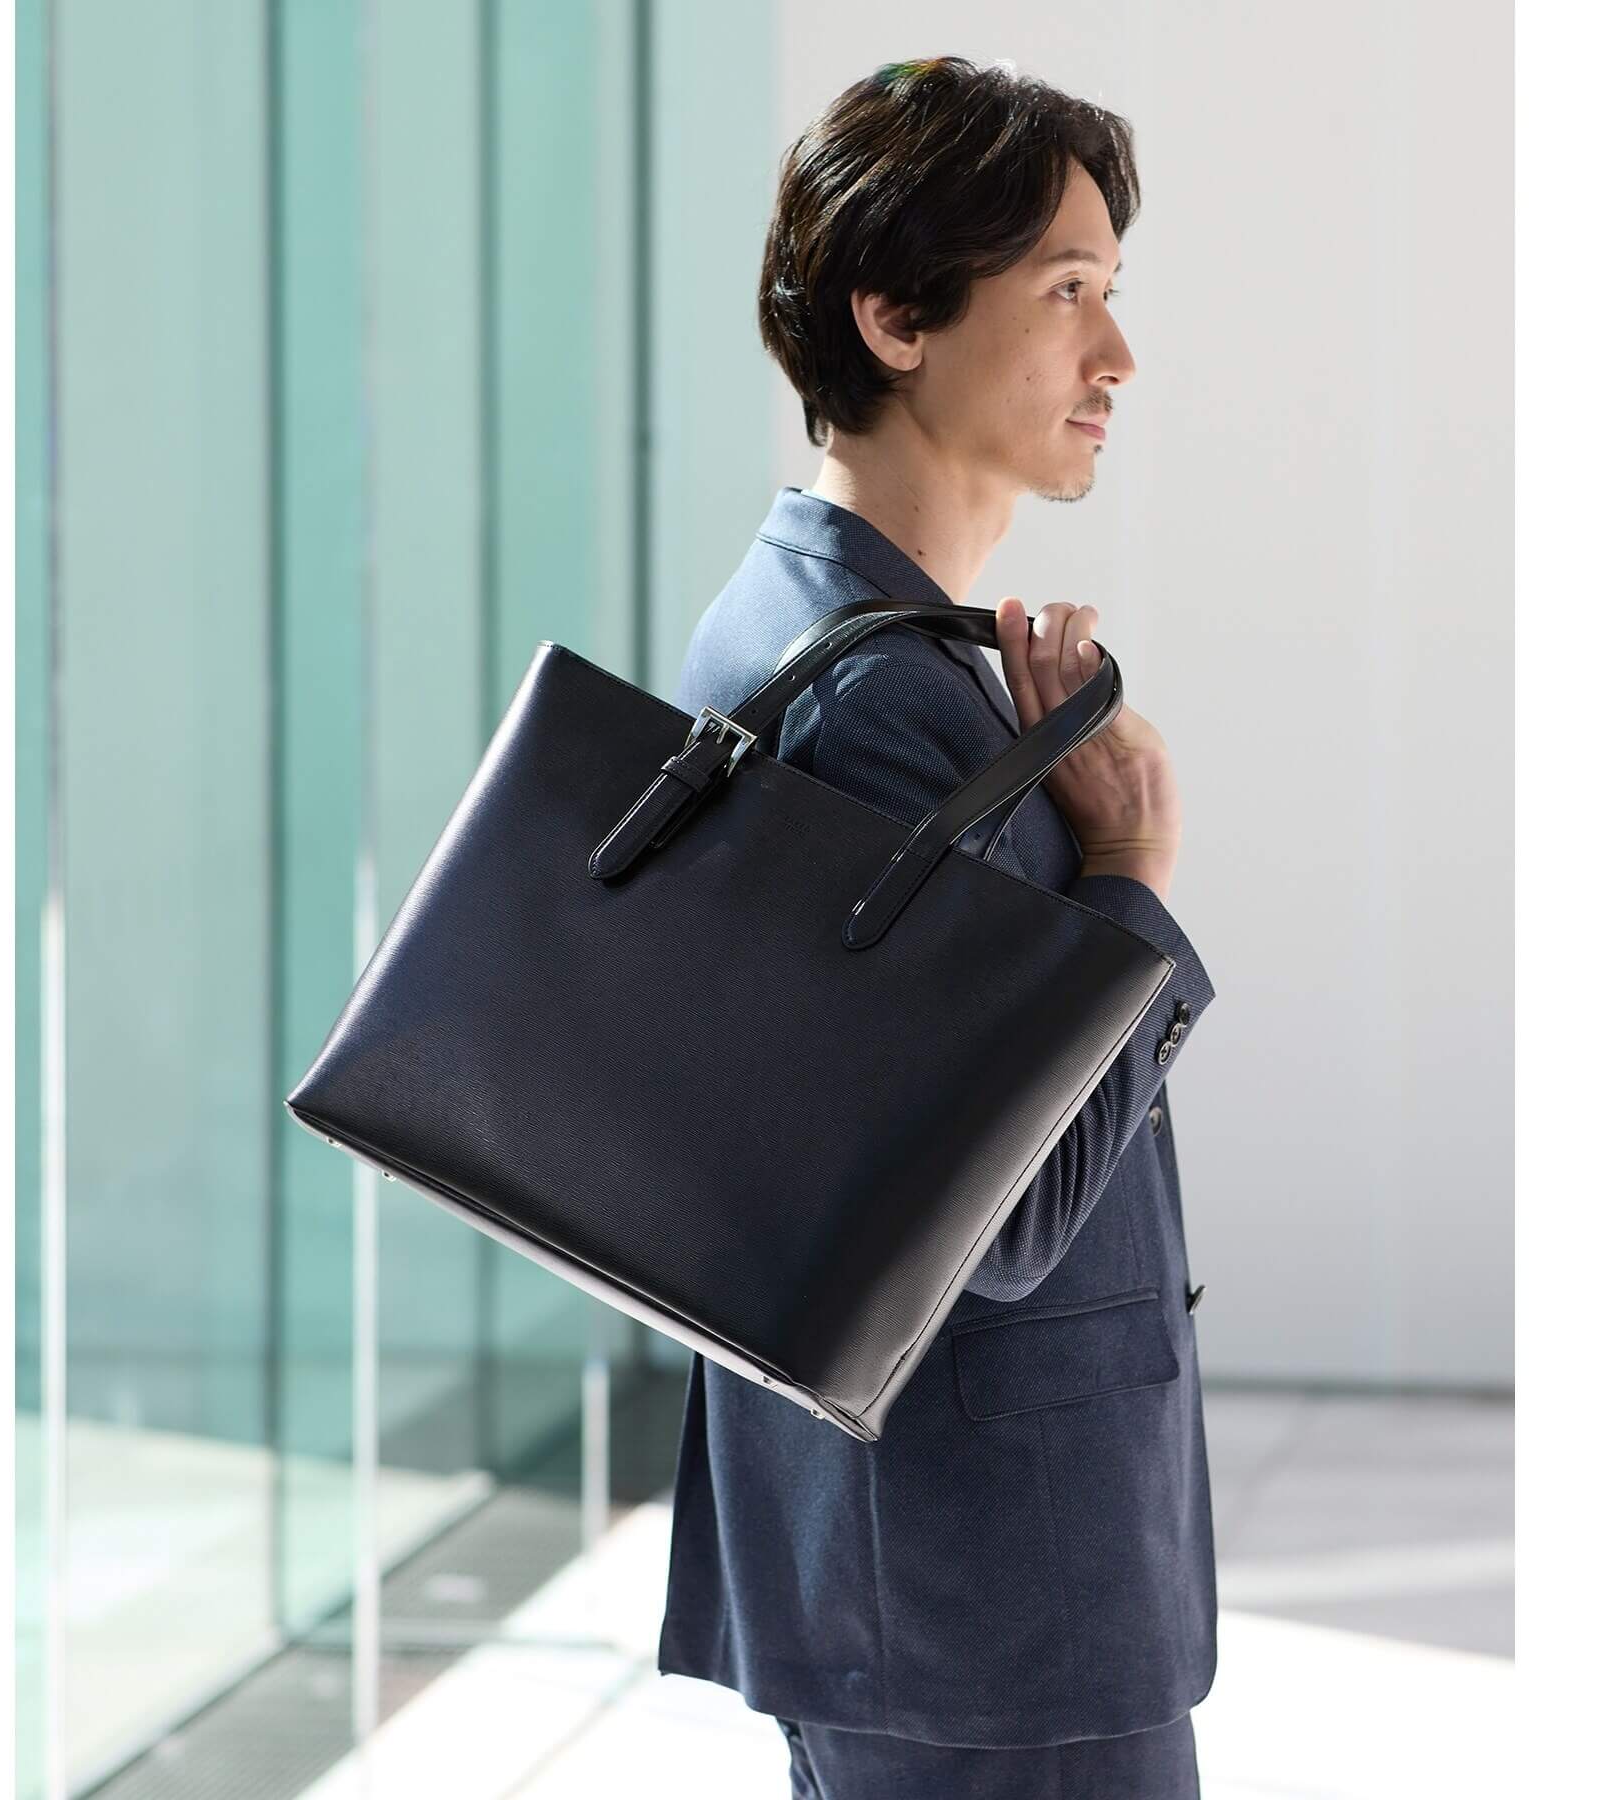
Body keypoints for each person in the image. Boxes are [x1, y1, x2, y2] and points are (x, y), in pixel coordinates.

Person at [657, 56, 1219, 1798]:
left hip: (930, 1584)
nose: (1116, 356)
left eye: (1111, 291)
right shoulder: (880, 708)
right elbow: (1000, 1222)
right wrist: (1131, 877)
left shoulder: (817, 634)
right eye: (1066, 293)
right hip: (993, 1602)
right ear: (895, 317)